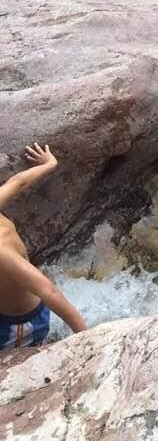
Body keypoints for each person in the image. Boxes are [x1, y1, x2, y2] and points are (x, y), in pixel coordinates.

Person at [0, 143, 86, 351]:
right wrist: (49, 164)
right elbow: (18, 181)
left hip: (19, 324)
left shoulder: (1, 252)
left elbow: (48, 290)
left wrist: (87, 339)